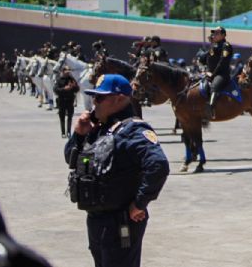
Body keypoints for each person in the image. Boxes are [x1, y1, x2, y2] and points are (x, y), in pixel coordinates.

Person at [64, 74, 169, 267]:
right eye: (94, 97)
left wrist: (140, 202)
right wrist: (79, 135)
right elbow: (71, 160)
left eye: (100, 97)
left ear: (119, 99)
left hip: (120, 221)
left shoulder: (133, 130)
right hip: (97, 218)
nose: (94, 102)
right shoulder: (101, 128)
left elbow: (158, 164)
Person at [198, 26, 233, 119]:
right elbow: (205, 59)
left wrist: (213, 74)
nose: (214, 35)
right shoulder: (214, 45)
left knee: (214, 86)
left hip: (222, 74)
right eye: (214, 33)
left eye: (217, 33)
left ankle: (210, 109)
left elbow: (222, 61)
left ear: (223, 35)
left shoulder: (226, 46)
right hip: (209, 73)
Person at [54, 65, 80, 138]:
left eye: (69, 70)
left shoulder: (72, 79)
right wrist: (64, 89)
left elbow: (77, 89)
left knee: (70, 117)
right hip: (61, 101)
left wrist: (74, 86)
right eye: (66, 70)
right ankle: (63, 132)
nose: (68, 72)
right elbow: (55, 90)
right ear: (63, 71)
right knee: (62, 117)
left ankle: (68, 132)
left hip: (70, 101)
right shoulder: (59, 79)